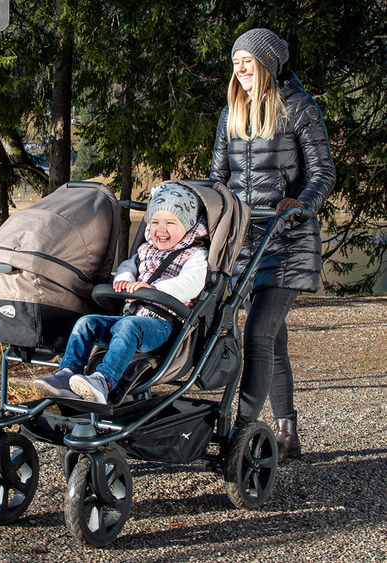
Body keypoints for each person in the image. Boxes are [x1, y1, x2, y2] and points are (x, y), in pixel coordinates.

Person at [209, 28, 336, 460]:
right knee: (273, 338)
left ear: (268, 63)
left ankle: (241, 432)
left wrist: (300, 204)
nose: (240, 69)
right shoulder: (231, 114)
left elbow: (323, 172)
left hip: (287, 239)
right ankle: (287, 432)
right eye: (235, 61)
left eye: (247, 60)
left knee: (258, 332)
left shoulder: (298, 108)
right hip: (244, 244)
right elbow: (218, 180)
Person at [34, 183, 209, 404]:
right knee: (87, 322)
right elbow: (127, 267)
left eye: (170, 223)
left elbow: (192, 283)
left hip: (165, 326)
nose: (160, 229)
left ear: (188, 225)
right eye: (154, 222)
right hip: (132, 320)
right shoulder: (146, 250)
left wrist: (153, 289)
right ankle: (67, 373)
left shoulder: (195, 254)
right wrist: (124, 281)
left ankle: (104, 382)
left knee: (129, 326)